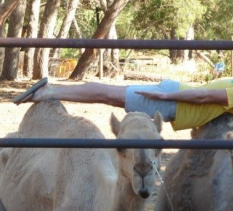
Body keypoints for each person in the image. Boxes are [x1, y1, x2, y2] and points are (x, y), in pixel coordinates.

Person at [12, 77, 233, 131]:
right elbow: (205, 97)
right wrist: (166, 97)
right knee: (108, 95)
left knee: (109, 95)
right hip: (174, 102)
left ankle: (51, 91)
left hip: (175, 99)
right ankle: (48, 92)